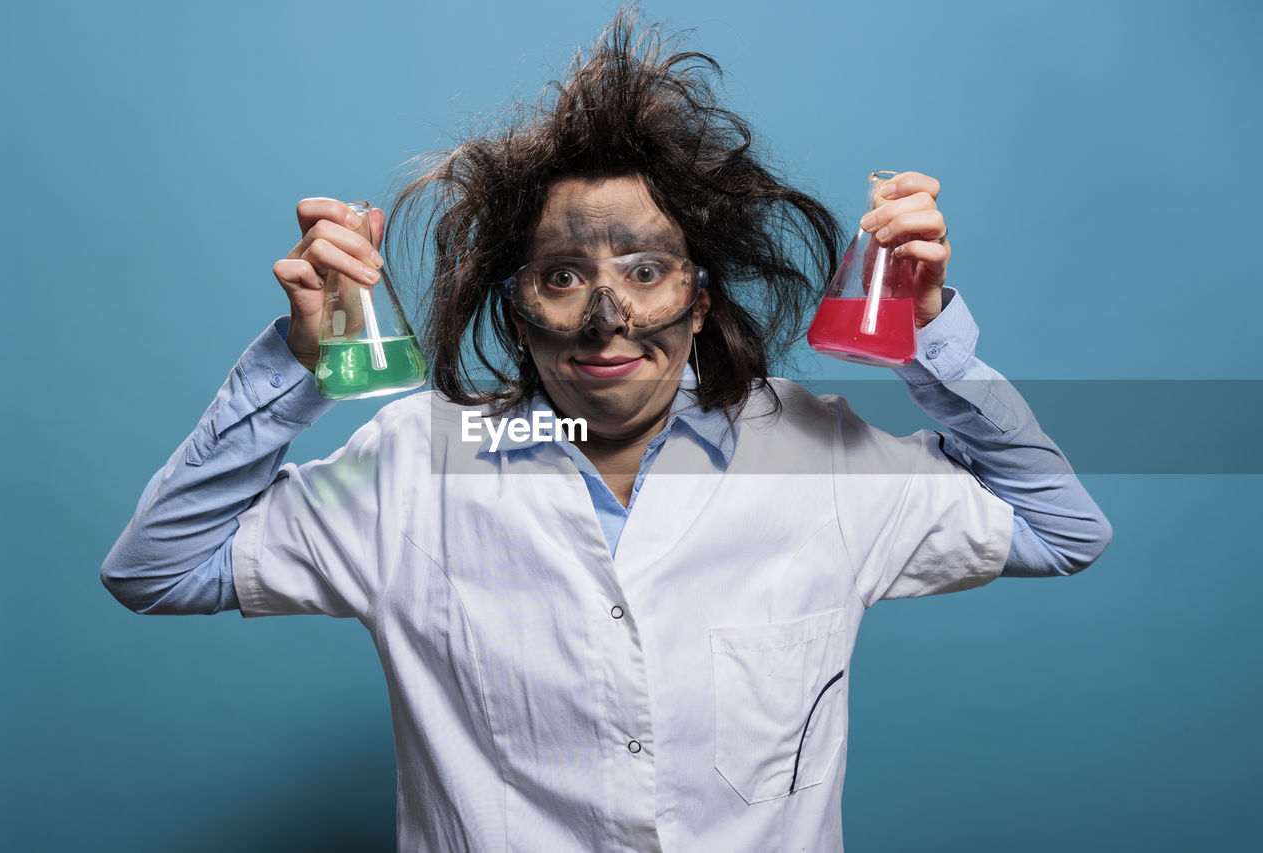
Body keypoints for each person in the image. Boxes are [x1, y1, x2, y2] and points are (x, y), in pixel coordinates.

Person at [102, 10, 1111, 852]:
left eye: (644, 270)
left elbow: (1061, 528)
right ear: (515, 304)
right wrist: (298, 361)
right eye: (561, 274)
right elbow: (156, 567)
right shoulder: (415, 463)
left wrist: (924, 337)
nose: (605, 315)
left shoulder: (817, 457)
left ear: (698, 296)